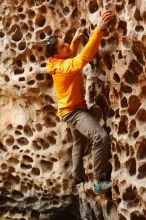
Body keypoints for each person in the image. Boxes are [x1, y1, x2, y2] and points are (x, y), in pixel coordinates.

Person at [45, 10, 114, 194]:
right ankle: (99, 182)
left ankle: (77, 178)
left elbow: (70, 56)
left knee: (79, 143)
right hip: (74, 111)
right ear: (55, 56)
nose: (66, 44)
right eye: (62, 46)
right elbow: (81, 59)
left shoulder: (57, 62)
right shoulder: (63, 67)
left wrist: (74, 41)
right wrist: (98, 29)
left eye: (64, 42)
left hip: (68, 109)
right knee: (100, 137)